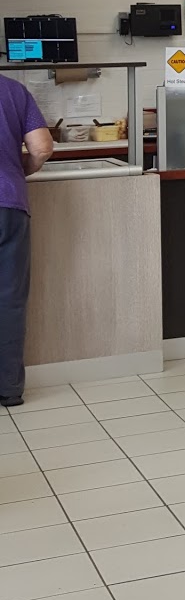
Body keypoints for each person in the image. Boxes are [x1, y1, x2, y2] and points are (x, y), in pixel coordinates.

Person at [0, 75, 52, 407]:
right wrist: (19, 171)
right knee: (9, 301)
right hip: (8, 205)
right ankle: (8, 389)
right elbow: (42, 147)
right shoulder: (12, 90)